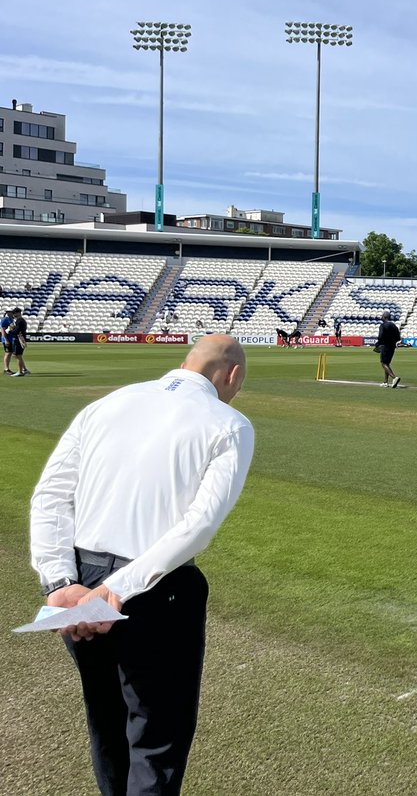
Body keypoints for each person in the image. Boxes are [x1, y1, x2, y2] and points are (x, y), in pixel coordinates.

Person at [29, 335, 255, 796]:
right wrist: (116, 590)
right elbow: (199, 524)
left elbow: (51, 495)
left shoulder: (109, 403)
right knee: (157, 736)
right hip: (157, 590)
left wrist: (60, 582)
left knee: (106, 718)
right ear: (231, 375)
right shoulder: (229, 423)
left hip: (80, 578)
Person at [377, 310, 402, 388]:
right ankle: (385, 382)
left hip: (385, 346)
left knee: (383, 363)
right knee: (387, 363)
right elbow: (398, 338)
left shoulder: (383, 325)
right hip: (392, 346)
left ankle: (394, 378)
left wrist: (378, 345)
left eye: (382, 316)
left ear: (384, 317)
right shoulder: (394, 326)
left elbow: (380, 337)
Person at [9, 306, 29, 376]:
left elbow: (17, 331)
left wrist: (11, 330)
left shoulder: (19, 320)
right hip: (21, 339)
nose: (13, 315)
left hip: (19, 339)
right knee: (18, 355)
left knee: (18, 355)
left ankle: (20, 371)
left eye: (14, 313)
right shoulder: (21, 320)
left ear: (18, 313)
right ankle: (24, 369)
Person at [1, 306, 13, 375]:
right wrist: (6, 340)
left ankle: (7, 369)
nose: (11, 313)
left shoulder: (11, 319)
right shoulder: (5, 319)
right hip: (7, 339)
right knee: (8, 353)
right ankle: (6, 369)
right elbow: (2, 330)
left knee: (9, 353)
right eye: (9, 312)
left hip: (10, 338)